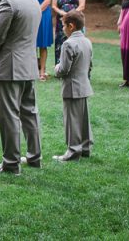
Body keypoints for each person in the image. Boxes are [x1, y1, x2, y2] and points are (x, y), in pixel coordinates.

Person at [0, 0, 43, 175]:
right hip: (29, 63)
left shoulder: (9, 3)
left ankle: (11, 163)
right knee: (30, 112)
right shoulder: (34, 1)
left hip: (10, 65)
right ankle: (34, 157)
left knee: (9, 114)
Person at [53, 10, 94, 161]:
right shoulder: (87, 41)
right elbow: (90, 65)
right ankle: (85, 147)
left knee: (71, 121)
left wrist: (56, 68)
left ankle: (73, 151)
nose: (62, 28)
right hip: (84, 85)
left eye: (63, 25)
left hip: (71, 87)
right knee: (83, 119)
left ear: (71, 26)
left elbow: (63, 69)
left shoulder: (68, 43)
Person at [52, 0, 86, 65]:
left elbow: (82, 5)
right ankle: (60, 67)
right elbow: (54, 6)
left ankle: (77, 66)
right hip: (61, 22)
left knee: (76, 43)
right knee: (60, 43)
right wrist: (63, 14)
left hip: (76, 21)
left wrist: (71, 15)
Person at [26, 0, 53, 81]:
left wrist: (36, 11)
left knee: (42, 44)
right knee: (30, 45)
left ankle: (42, 71)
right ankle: (31, 70)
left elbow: (47, 1)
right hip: (29, 18)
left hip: (43, 17)